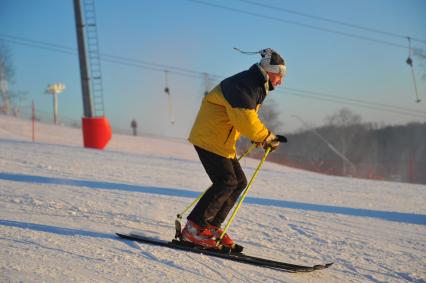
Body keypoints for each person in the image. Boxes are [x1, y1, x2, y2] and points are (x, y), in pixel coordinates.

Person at [182, 48, 287, 250]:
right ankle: (193, 229)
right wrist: (266, 137)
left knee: (238, 182)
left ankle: (211, 226)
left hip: (221, 142)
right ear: (269, 70)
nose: (281, 81)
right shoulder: (245, 83)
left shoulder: (254, 84)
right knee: (226, 181)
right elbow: (246, 120)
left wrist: (262, 138)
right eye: (280, 75)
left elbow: (243, 120)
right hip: (209, 138)